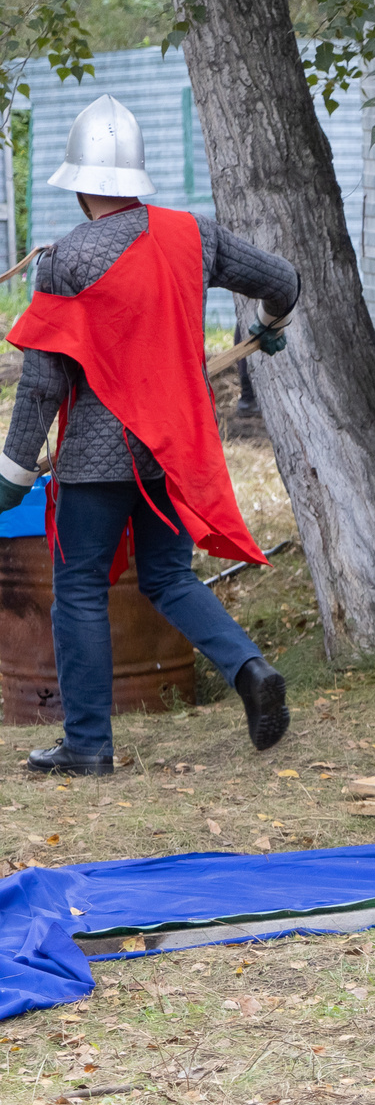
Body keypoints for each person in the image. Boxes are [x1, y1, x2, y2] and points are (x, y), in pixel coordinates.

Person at [0, 96, 295, 774]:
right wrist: (269, 323)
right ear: (134, 178)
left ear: (79, 184)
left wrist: (11, 475)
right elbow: (283, 281)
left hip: (96, 460)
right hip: (170, 452)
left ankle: (88, 746)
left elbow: (43, 386)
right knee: (165, 575)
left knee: (78, 588)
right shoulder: (194, 234)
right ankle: (250, 670)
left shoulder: (68, 259)